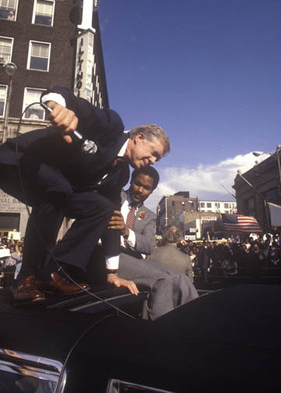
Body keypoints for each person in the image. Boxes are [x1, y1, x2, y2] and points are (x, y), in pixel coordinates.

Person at [0, 86, 170, 304]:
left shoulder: (120, 175)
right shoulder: (111, 127)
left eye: (158, 159)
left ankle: (52, 273)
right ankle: (26, 278)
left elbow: (111, 219)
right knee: (59, 188)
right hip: (19, 160)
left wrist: (112, 273)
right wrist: (58, 105)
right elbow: (78, 105)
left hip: (56, 185)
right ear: (139, 137)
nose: (153, 161)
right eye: (154, 153)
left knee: (102, 207)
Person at [98, 167, 198, 320]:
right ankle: (159, 333)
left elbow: (149, 246)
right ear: (131, 182)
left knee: (181, 279)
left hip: (132, 260)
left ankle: (199, 322)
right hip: (105, 255)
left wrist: (127, 232)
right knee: (164, 279)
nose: (140, 190)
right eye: (138, 184)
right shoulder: (114, 196)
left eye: (146, 188)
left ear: (152, 191)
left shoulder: (149, 216)